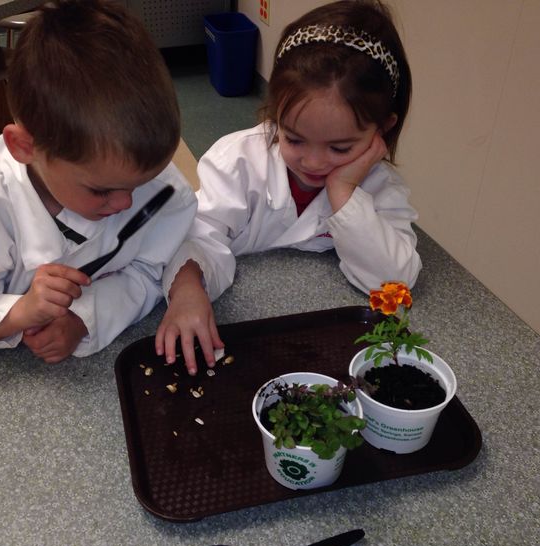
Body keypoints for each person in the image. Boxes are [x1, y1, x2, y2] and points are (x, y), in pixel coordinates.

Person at [156, 0, 422, 375]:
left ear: (383, 129)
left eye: (340, 149)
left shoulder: (380, 184)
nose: (312, 162)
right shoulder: (237, 162)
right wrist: (187, 288)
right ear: (275, 112)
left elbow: (394, 284)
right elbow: (199, 233)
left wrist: (344, 192)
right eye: (294, 139)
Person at [0, 0, 197, 363]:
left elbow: (150, 270)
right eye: (101, 191)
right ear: (24, 147)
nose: (127, 203)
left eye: (138, 184)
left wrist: (82, 321)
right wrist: (18, 312)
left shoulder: (158, 185)